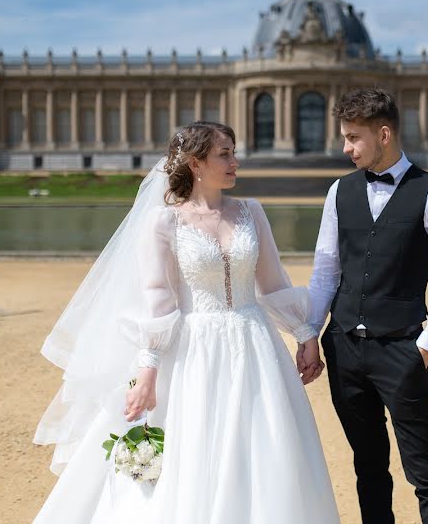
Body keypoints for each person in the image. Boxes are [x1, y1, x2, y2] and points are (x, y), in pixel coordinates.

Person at [32, 121, 340, 523]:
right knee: (195, 452)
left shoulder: (252, 212)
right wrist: (147, 374)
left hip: (256, 347)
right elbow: (158, 303)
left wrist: (304, 334)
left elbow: (273, 284)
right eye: (224, 154)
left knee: (266, 448)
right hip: (195, 352)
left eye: (234, 152)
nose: (235, 162)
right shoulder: (163, 223)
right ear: (196, 163)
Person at [304, 88, 428, 524]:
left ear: (383, 134)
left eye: (353, 138)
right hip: (344, 348)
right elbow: (325, 274)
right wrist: (310, 333)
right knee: (369, 468)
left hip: (402, 350)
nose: (345, 148)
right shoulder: (338, 192)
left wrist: (426, 345)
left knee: (426, 472)